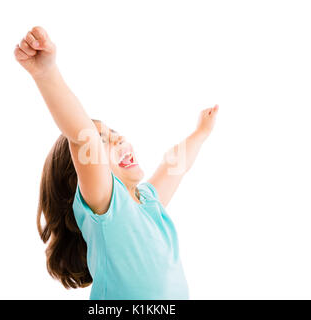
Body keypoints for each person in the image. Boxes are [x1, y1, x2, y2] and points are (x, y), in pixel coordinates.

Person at [14, 26, 219, 299]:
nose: (119, 139)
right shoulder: (108, 206)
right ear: (84, 175)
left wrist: (200, 133)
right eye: (103, 142)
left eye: (115, 134)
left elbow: (174, 165)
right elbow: (81, 136)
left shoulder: (147, 201)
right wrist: (45, 73)